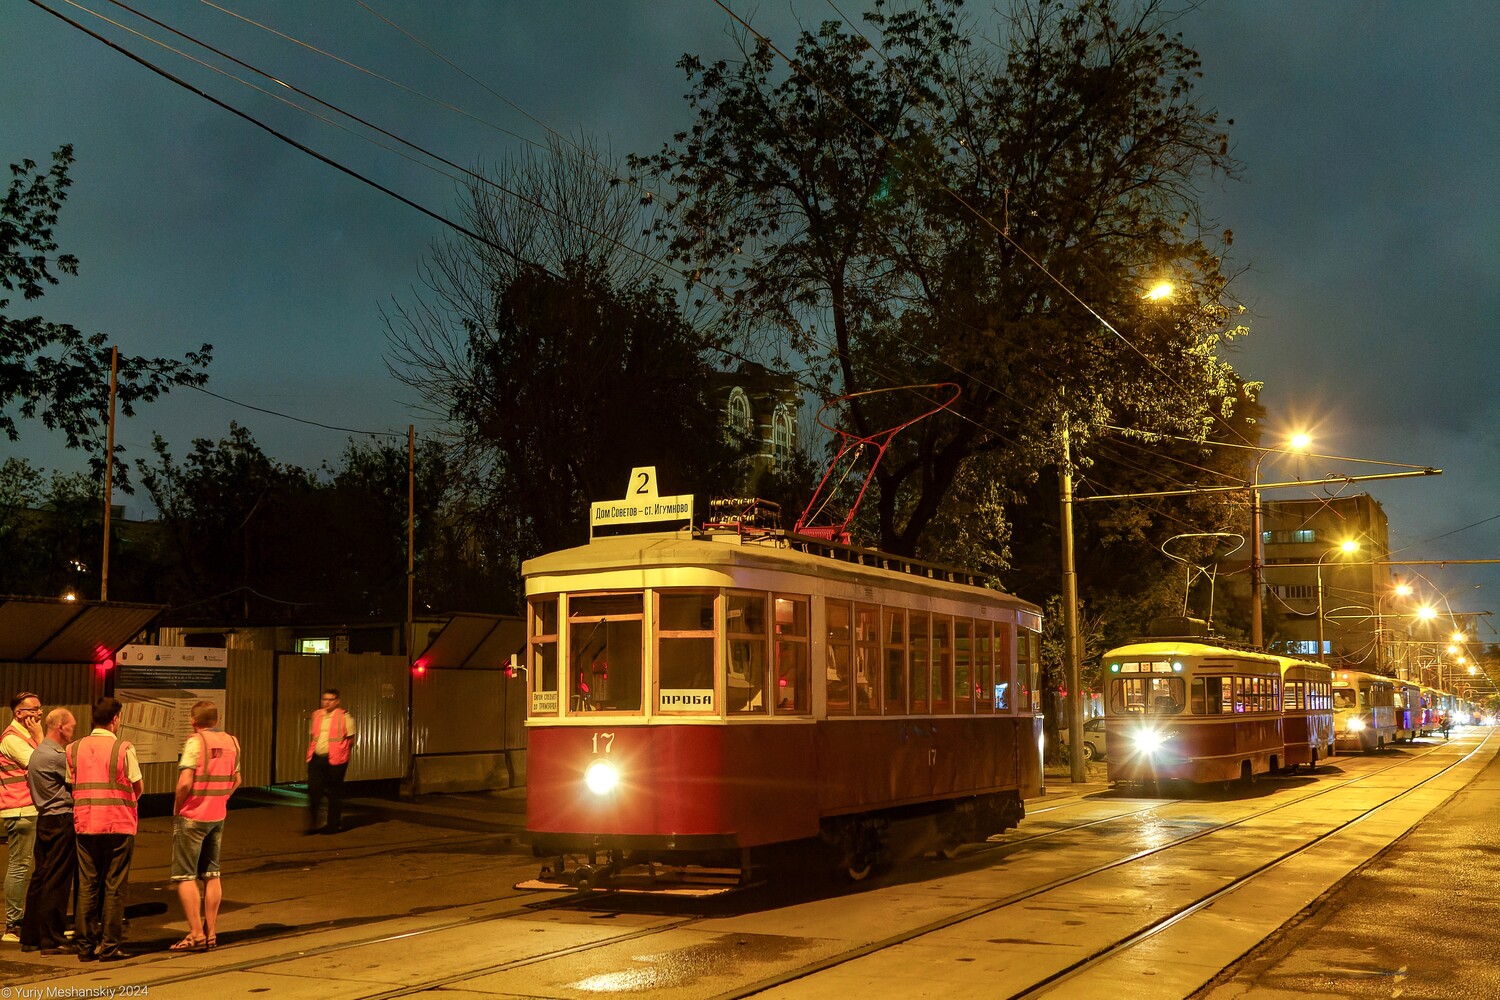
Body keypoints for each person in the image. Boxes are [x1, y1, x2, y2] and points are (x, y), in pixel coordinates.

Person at [68, 697, 142, 962]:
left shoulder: (73, 748)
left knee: (87, 885)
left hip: (85, 824)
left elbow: (71, 783)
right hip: (118, 824)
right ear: (114, 719)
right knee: (114, 885)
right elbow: (137, 786)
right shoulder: (123, 748)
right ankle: (109, 947)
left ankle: (84, 948)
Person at [170, 701, 241, 951]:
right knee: (212, 873)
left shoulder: (195, 742)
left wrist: (178, 806)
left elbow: (185, 782)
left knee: (185, 875)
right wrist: (221, 798)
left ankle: (196, 932)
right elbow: (237, 778)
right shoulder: (232, 742)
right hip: (217, 815)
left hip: (193, 816)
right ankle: (211, 932)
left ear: (193, 721)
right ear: (217, 719)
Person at [20, 708, 77, 955]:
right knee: (58, 879)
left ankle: (30, 936)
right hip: (60, 820)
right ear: (61, 727)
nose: (73, 731)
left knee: (41, 877)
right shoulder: (56, 756)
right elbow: (77, 781)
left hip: (44, 819)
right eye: (72, 727)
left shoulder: (39, 752)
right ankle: (52, 939)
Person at [1, 692, 43, 943]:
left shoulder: (23, 737)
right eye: (35, 709)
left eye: (40, 708)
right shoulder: (12, 739)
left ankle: (32, 920)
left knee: (33, 866)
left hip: (30, 809)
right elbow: (41, 765)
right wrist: (40, 737)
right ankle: (13, 925)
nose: (39, 713)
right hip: (21, 810)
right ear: (20, 714)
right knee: (19, 866)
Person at [306, 689, 354, 835]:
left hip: (336, 760)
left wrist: (341, 752)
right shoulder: (316, 715)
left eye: (331, 699)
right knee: (314, 790)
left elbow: (351, 739)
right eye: (324, 699)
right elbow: (314, 736)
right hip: (317, 758)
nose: (327, 702)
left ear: (337, 701)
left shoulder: (345, 716)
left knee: (334, 793)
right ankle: (313, 824)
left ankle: (332, 825)